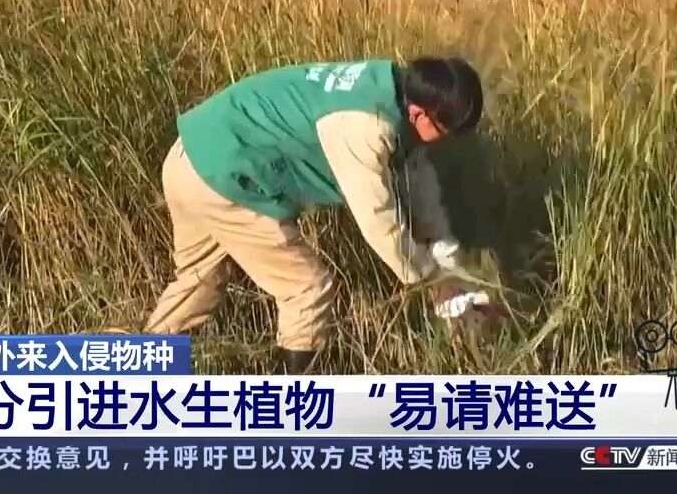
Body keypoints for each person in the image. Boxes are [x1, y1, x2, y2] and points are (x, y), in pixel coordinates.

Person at [143, 56, 491, 373]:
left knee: (197, 285)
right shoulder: (364, 126)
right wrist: (432, 278)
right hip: (227, 177)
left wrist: (450, 268)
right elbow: (380, 224)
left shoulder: (388, 89)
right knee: (307, 291)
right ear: (420, 114)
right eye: (446, 132)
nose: (446, 142)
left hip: (189, 158)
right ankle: (290, 418)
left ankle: (131, 382)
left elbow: (418, 185)